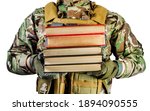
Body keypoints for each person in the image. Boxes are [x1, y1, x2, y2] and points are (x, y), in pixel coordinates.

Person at [7, 0, 146, 94]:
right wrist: (34, 63)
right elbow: (12, 58)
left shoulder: (111, 20)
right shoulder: (38, 18)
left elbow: (137, 60)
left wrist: (115, 68)